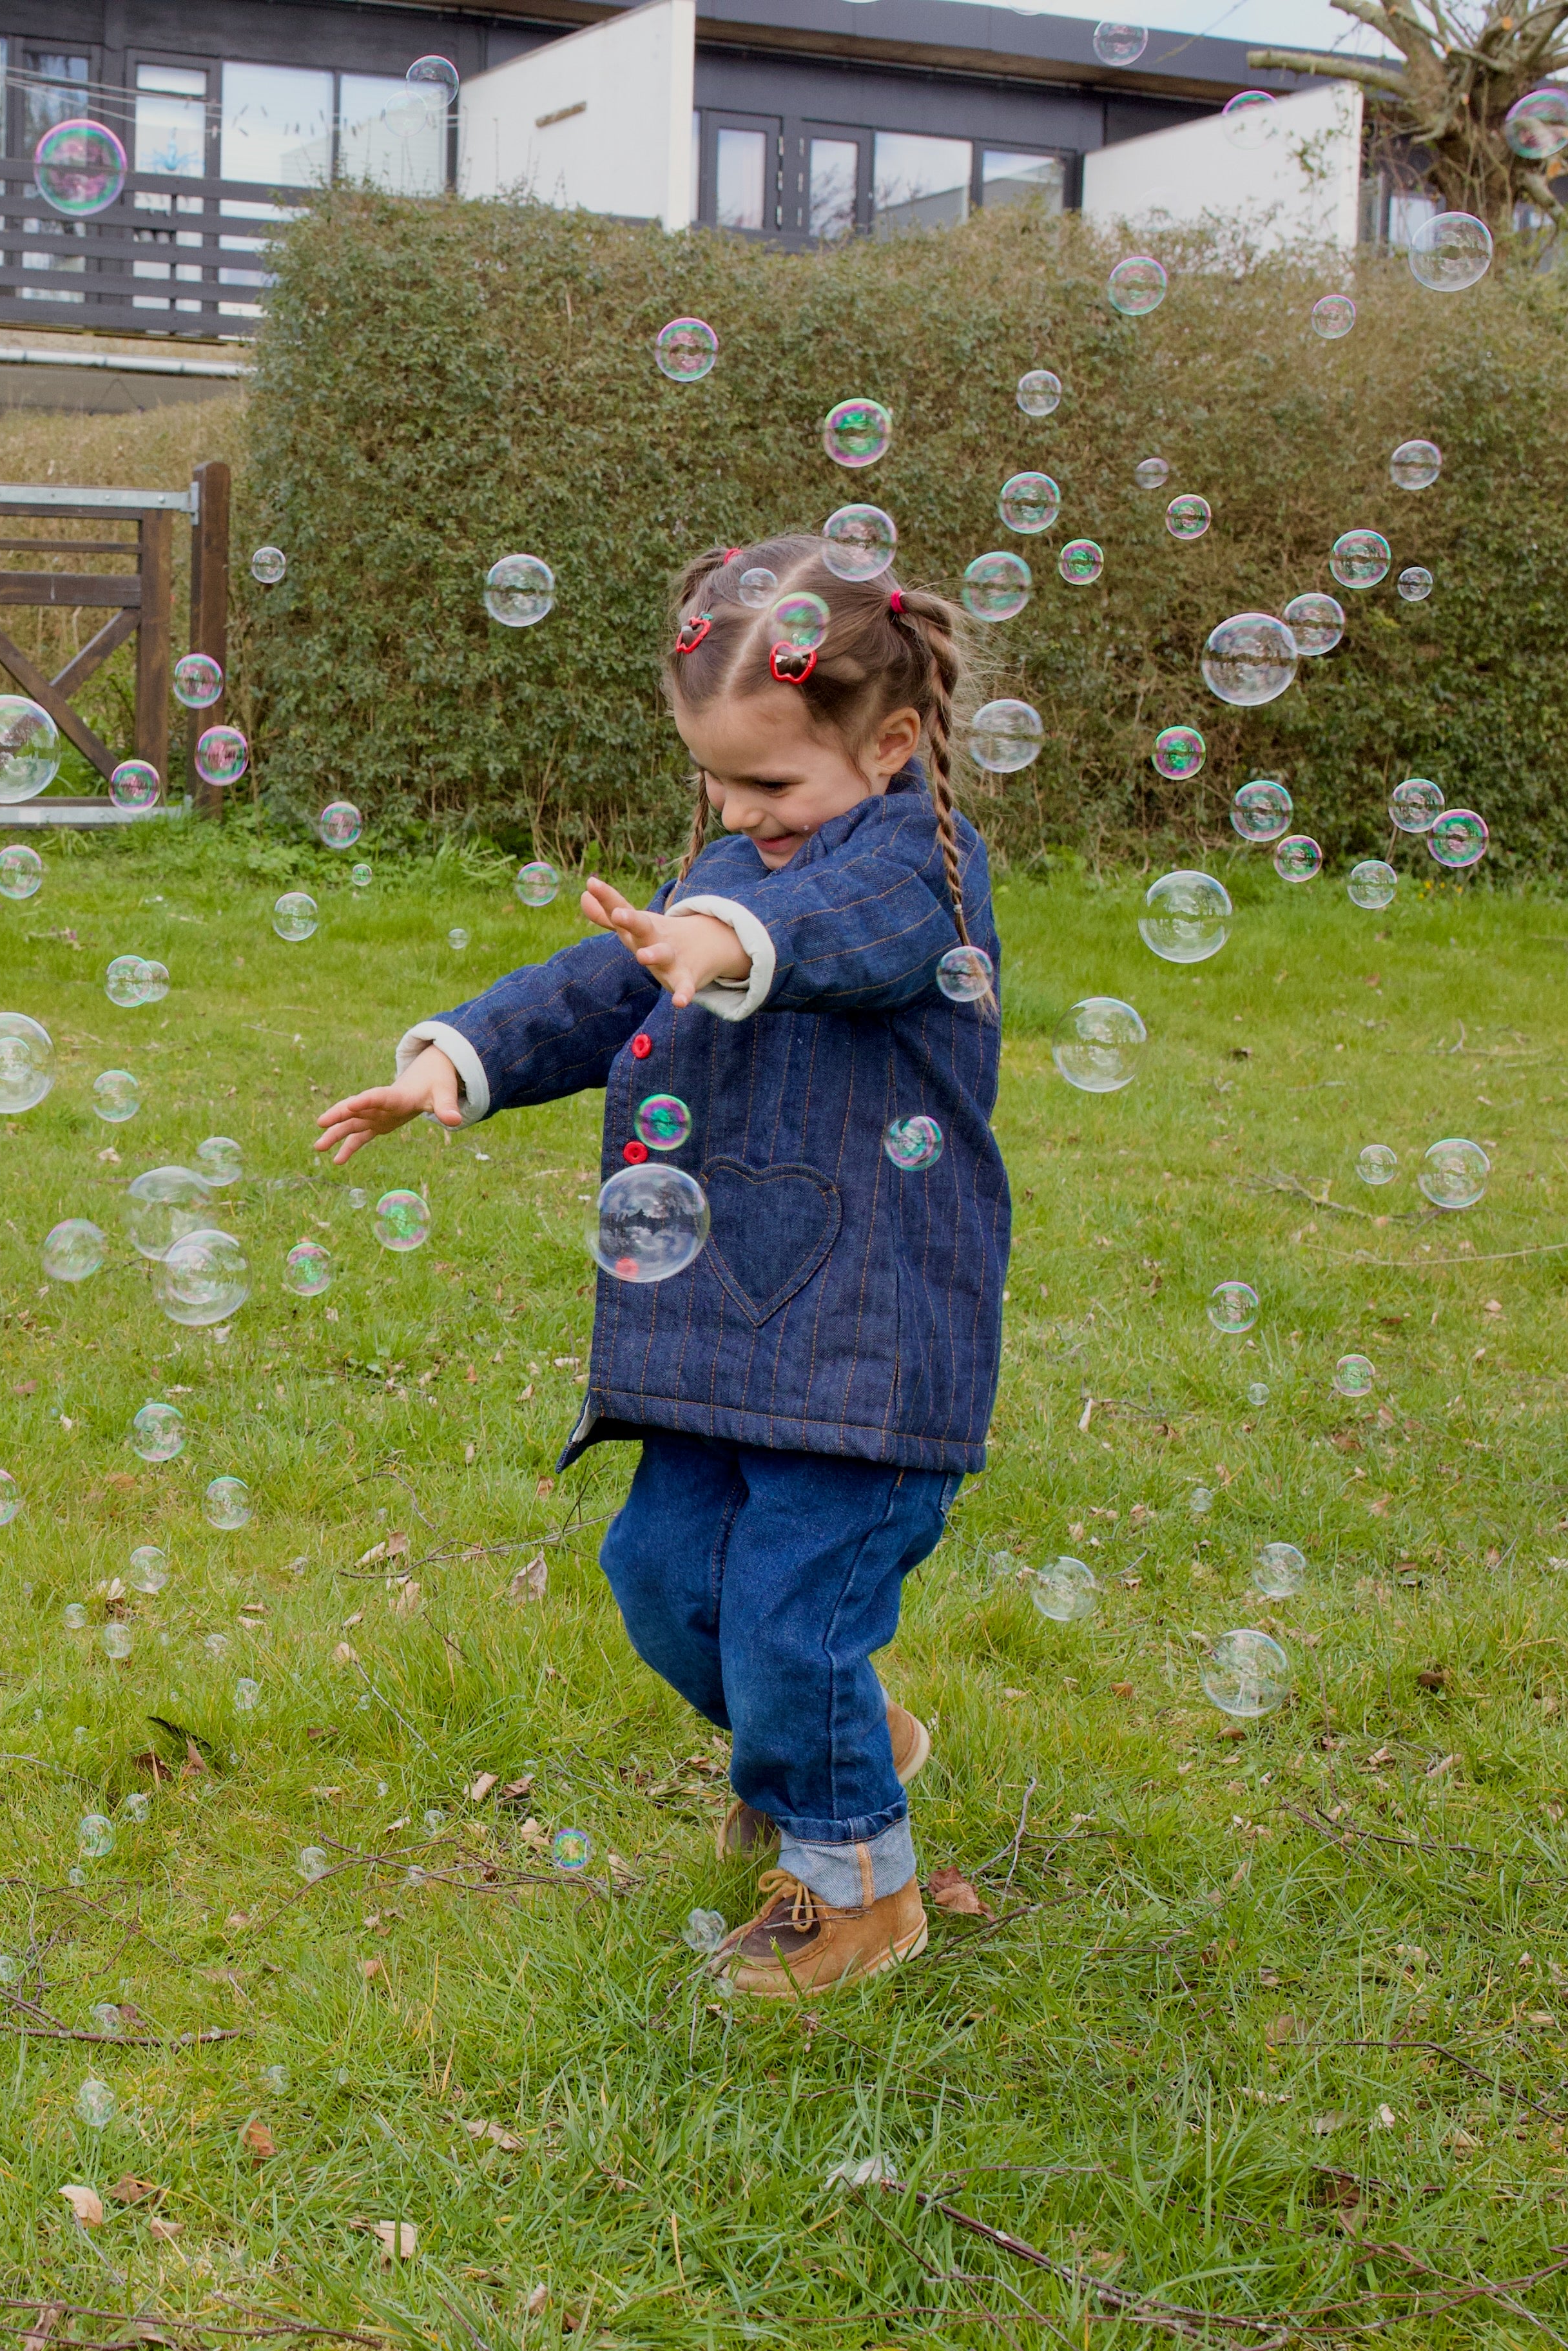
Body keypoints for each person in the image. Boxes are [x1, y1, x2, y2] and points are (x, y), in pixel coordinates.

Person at [313, 534, 1009, 1997]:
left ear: (891, 745)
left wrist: (719, 938)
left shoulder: (921, 871)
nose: (739, 815)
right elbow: (599, 984)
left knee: (788, 1617)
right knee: (661, 1576)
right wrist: (455, 1061)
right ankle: (850, 1744)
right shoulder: (730, 869)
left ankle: (860, 1892)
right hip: (720, 1320)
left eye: (771, 785)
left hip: (871, 1337)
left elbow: (832, 934)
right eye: (715, 781)